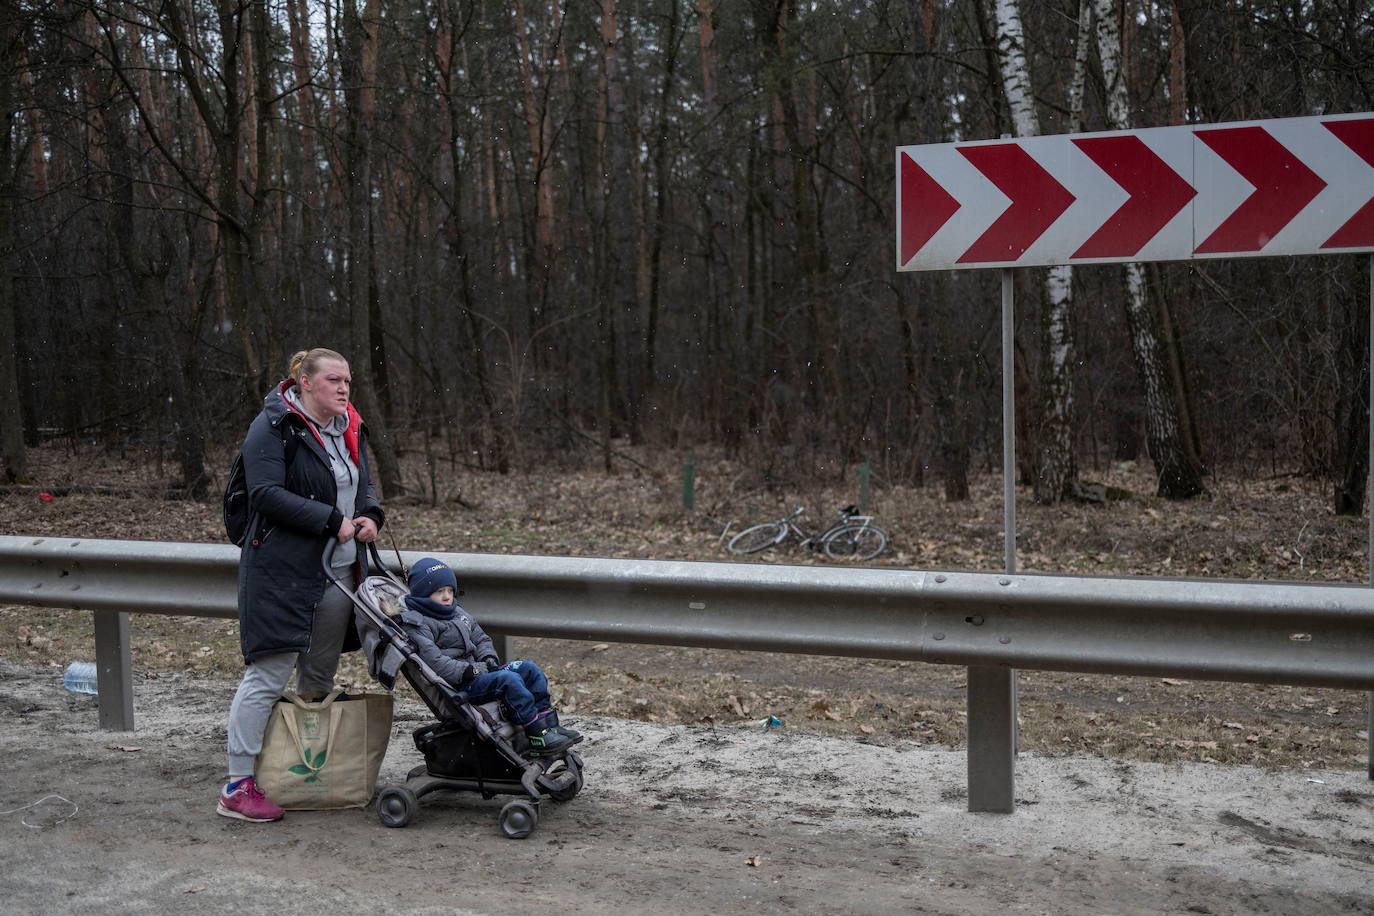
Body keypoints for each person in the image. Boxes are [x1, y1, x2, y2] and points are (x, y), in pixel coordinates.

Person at [217, 348, 386, 823]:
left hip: (339, 576)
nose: (344, 388)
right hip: (281, 574)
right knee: (268, 675)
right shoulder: (274, 426)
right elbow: (266, 495)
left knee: (319, 676)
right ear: (305, 383)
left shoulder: (348, 425)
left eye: (348, 380)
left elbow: (361, 486)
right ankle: (236, 785)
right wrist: (331, 520)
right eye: (333, 379)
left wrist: (370, 516)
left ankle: (309, 773)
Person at [399, 556, 582, 757]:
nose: (447, 597)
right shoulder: (418, 624)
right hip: (462, 684)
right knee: (508, 679)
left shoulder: (457, 612)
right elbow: (436, 663)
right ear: (423, 595)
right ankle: (536, 733)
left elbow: (481, 639)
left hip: (480, 671)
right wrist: (471, 670)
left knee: (528, 669)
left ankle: (549, 725)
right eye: (439, 592)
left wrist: (489, 658)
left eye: (450, 590)